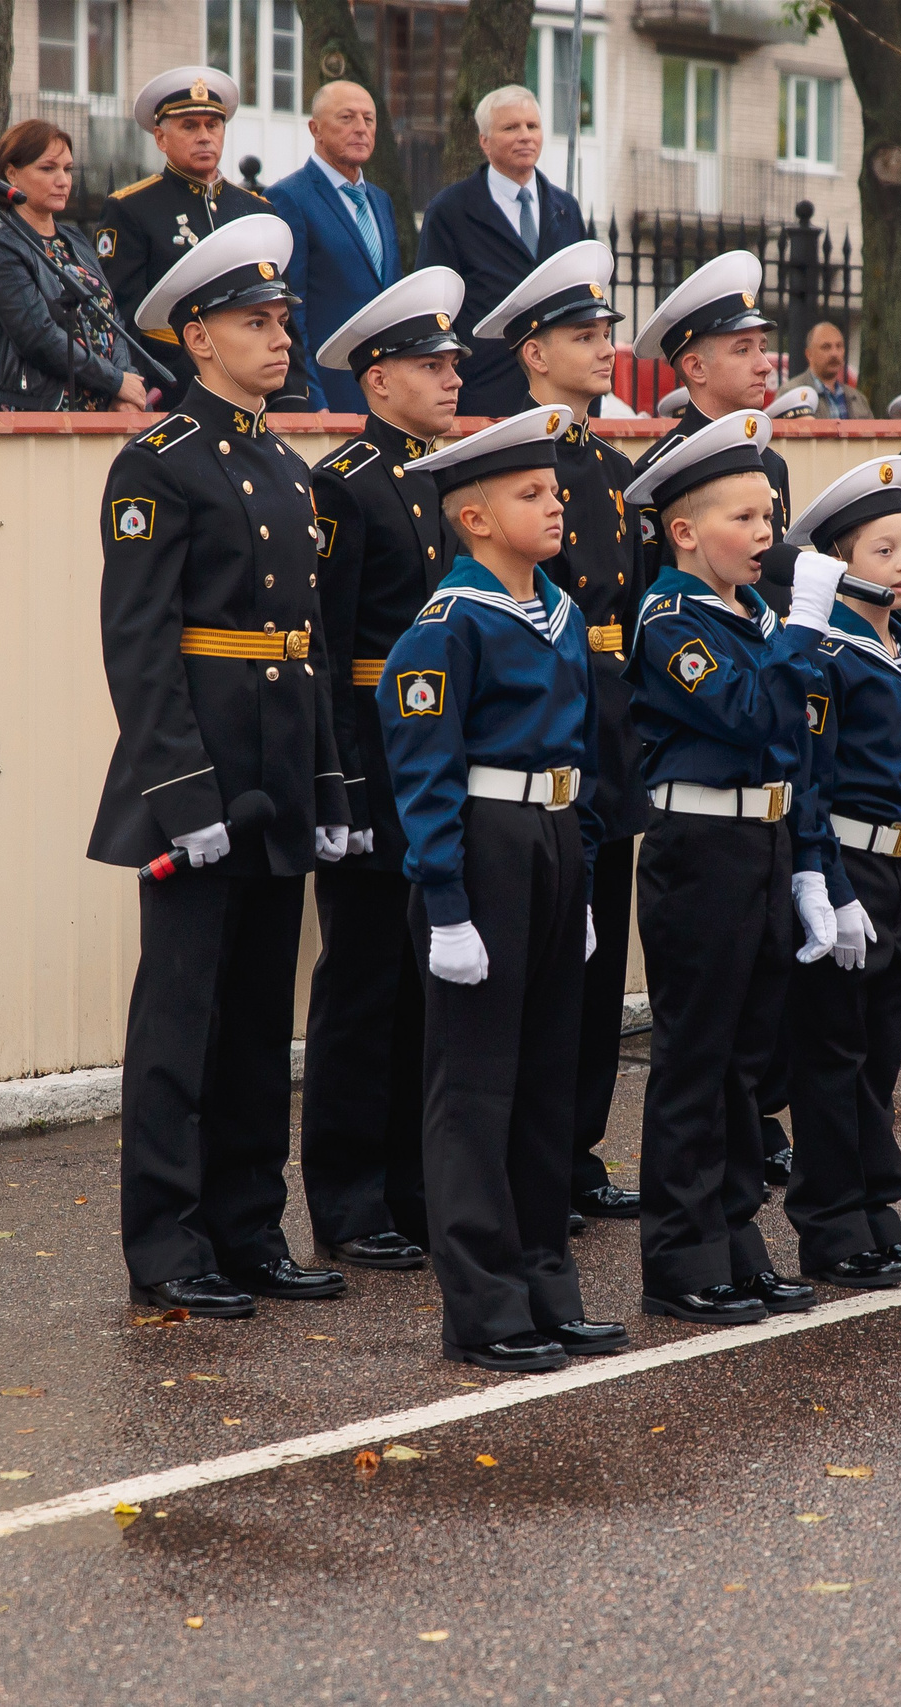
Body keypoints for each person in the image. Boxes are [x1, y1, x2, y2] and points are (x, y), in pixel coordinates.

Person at [88, 213, 351, 1318]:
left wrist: (331, 787)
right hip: (199, 777)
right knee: (179, 1024)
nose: (277, 337)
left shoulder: (286, 469)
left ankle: (250, 1229)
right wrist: (179, 795)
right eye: (253, 322)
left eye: (281, 318)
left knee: (256, 1022)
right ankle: (167, 1243)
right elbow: (140, 648)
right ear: (196, 339)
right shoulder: (158, 465)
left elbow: (312, 647)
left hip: (279, 771)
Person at [379, 407, 625, 1373]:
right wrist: (443, 901)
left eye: (555, 489)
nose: (555, 505)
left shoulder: (556, 611)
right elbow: (424, 771)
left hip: (555, 841)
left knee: (543, 1082)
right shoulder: (449, 625)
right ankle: (483, 1305)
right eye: (531, 494)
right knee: (475, 1088)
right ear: (473, 519)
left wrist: (589, 887)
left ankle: (545, 1286)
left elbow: (584, 761)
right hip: (484, 845)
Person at [623, 410, 843, 1325]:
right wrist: (802, 630)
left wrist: (805, 866)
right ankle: (680, 1257)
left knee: (750, 1063)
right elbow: (749, 711)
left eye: (771, 518)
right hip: (701, 849)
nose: (768, 536)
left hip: (765, 841)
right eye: (747, 519)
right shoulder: (672, 619)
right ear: (684, 532)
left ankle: (737, 1240)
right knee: (696, 1058)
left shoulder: (752, 614)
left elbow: (798, 741)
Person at [298, 267, 471, 1274]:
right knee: (362, 992)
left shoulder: (454, 480)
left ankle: (414, 1184)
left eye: (452, 361)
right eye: (426, 363)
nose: (449, 377)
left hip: (438, 769)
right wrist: (347, 789)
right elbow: (330, 654)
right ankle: (350, 1199)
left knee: (424, 996)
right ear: (376, 381)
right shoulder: (344, 488)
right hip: (375, 770)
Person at [475, 240, 645, 1224]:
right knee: (537, 964)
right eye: (584, 338)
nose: (604, 351)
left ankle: (573, 1152)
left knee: (598, 954)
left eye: (605, 335)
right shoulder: (512, 463)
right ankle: (516, 1158)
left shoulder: (607, 466)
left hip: (607, 722)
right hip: (540, 720)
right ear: (534, 353)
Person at [781, 458, 901, 1287]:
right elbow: (809, 779)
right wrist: (832, 889)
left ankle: (877, 1211)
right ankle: (830, 1223)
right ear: (840, 562)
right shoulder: (829, 655)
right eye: (885, 549)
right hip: (846, 865)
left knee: (881, 1054)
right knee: (832, 1055)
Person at [96, 67, 277, 402]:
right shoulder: (132, 209)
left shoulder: (257, 211)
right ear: (161, 138)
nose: (204, 136)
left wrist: (292, 396)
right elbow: (121, 314)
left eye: (213, 125)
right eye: (189, 126)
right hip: (172, 387)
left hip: (250, 387)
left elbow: (277, 310)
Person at [629, 251, 797, 607]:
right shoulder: (660, 471)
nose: (765, 365)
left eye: (763, 348)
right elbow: (648, 589)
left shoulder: (771, 463)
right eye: (743, 350)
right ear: (696, 368)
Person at [417, 87, 588, 418]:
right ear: (484, 141)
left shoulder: (566, 209)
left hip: (562, 395)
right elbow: (434, 312)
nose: (524, 136)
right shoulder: (450, 212)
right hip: (483, 395)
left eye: (532, 126)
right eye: (511, 128)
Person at [0, 119, 145, 414]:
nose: (63, 180)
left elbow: (111, 318)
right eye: (48, 168)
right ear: (12, 173)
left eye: (67, 169)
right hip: (37, 412)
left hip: (101, 407)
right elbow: (38, 337)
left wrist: (122, 389)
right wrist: (115, 381)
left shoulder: (74, 239)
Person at [269, 80, 402, 415]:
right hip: (328, 395)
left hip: (385, 394)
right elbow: (290, 310)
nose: (360, 128)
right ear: (316, 129)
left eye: (369, 120)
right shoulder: (290, 197)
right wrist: (312, 396)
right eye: (347, 118)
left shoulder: (381, 201)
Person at [802, 320, 872, 419]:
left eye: (839, 346)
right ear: (809, 354)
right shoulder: (793, 393)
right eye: (826, 347)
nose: (834, 354)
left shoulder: (858, 399)